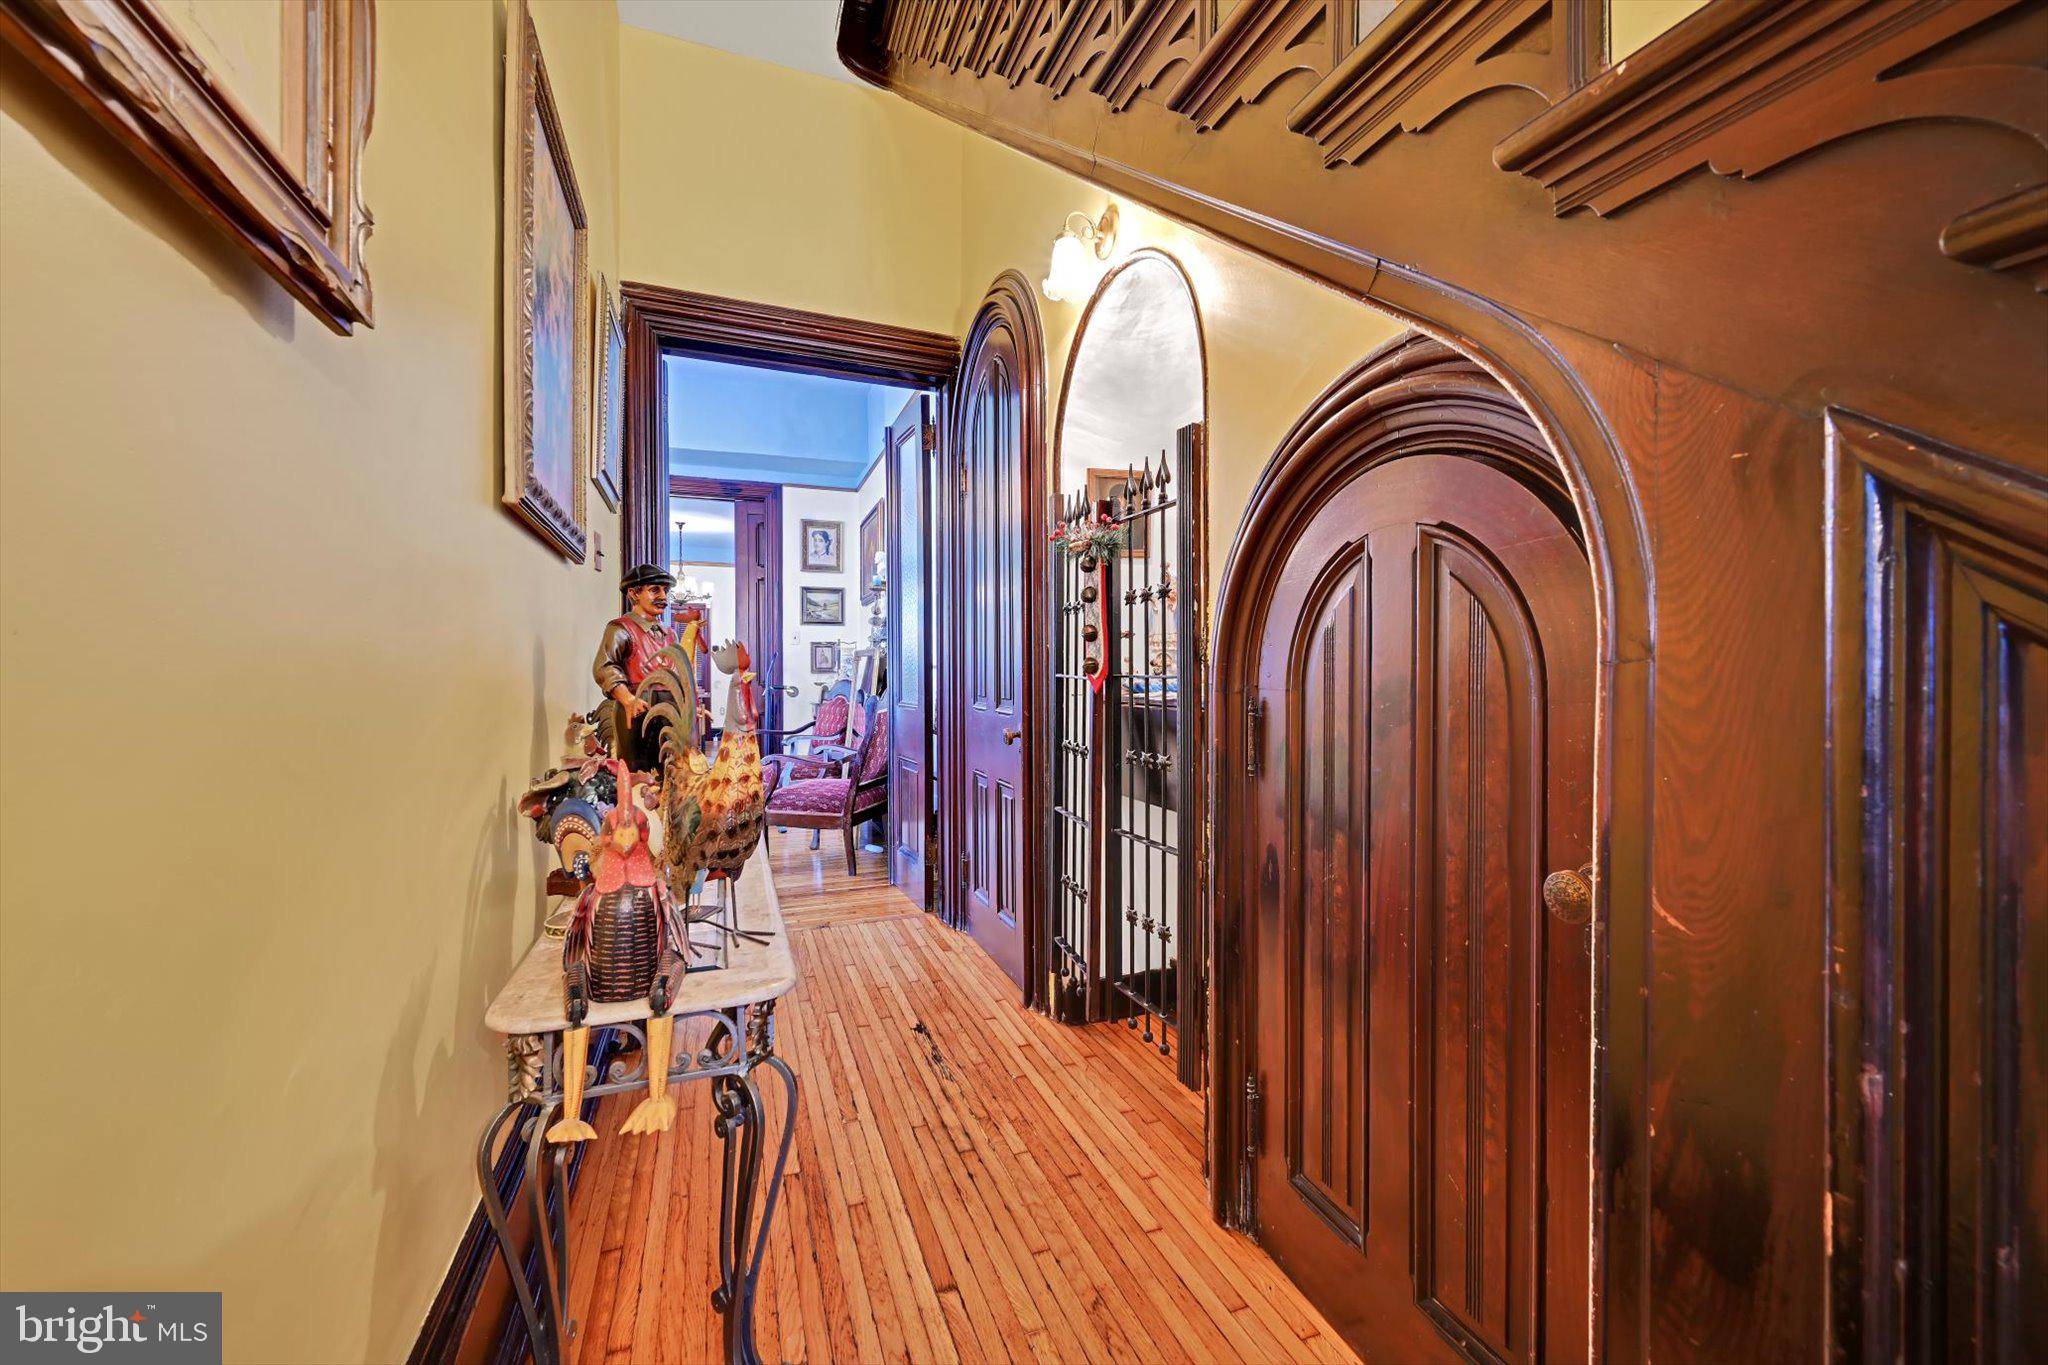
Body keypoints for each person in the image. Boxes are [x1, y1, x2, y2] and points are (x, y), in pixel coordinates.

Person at [593, 563, 677, 772]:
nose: (663, 596)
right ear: (634, 593)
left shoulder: (670, 635)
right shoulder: (621, 629)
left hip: (669, 706)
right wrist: (627, 698)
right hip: (638, 704)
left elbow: (678, 673)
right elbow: (605, 666)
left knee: (669, 765)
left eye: (665, 590)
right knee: (636, 768)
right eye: (654, 589)